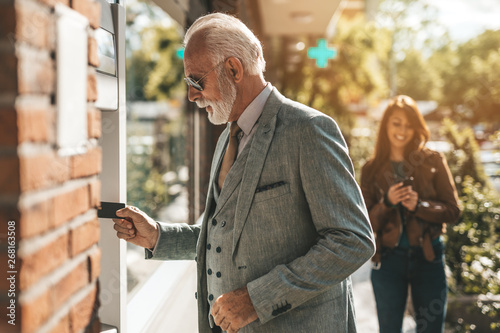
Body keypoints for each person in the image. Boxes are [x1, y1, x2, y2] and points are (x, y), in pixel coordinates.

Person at [113, 13, 375, 333]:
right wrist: (157, 236)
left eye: (196, 81)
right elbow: (221, 238)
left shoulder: (309, 130)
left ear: (234, 69)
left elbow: (353, 241)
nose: (192, 95)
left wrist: (256, 300)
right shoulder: (227, 137)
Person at [360, 95, 461, 332]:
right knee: (389, 328)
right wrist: (387, 202)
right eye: (396, 123)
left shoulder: (433, 160)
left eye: (408, 125)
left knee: (430, 328)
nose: (402, 131)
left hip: (429, 257)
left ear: (416, 127)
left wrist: (420, 206)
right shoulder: (371, 169)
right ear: (386, 125)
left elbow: (453, 210)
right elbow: (365, 222)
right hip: (388, 261)